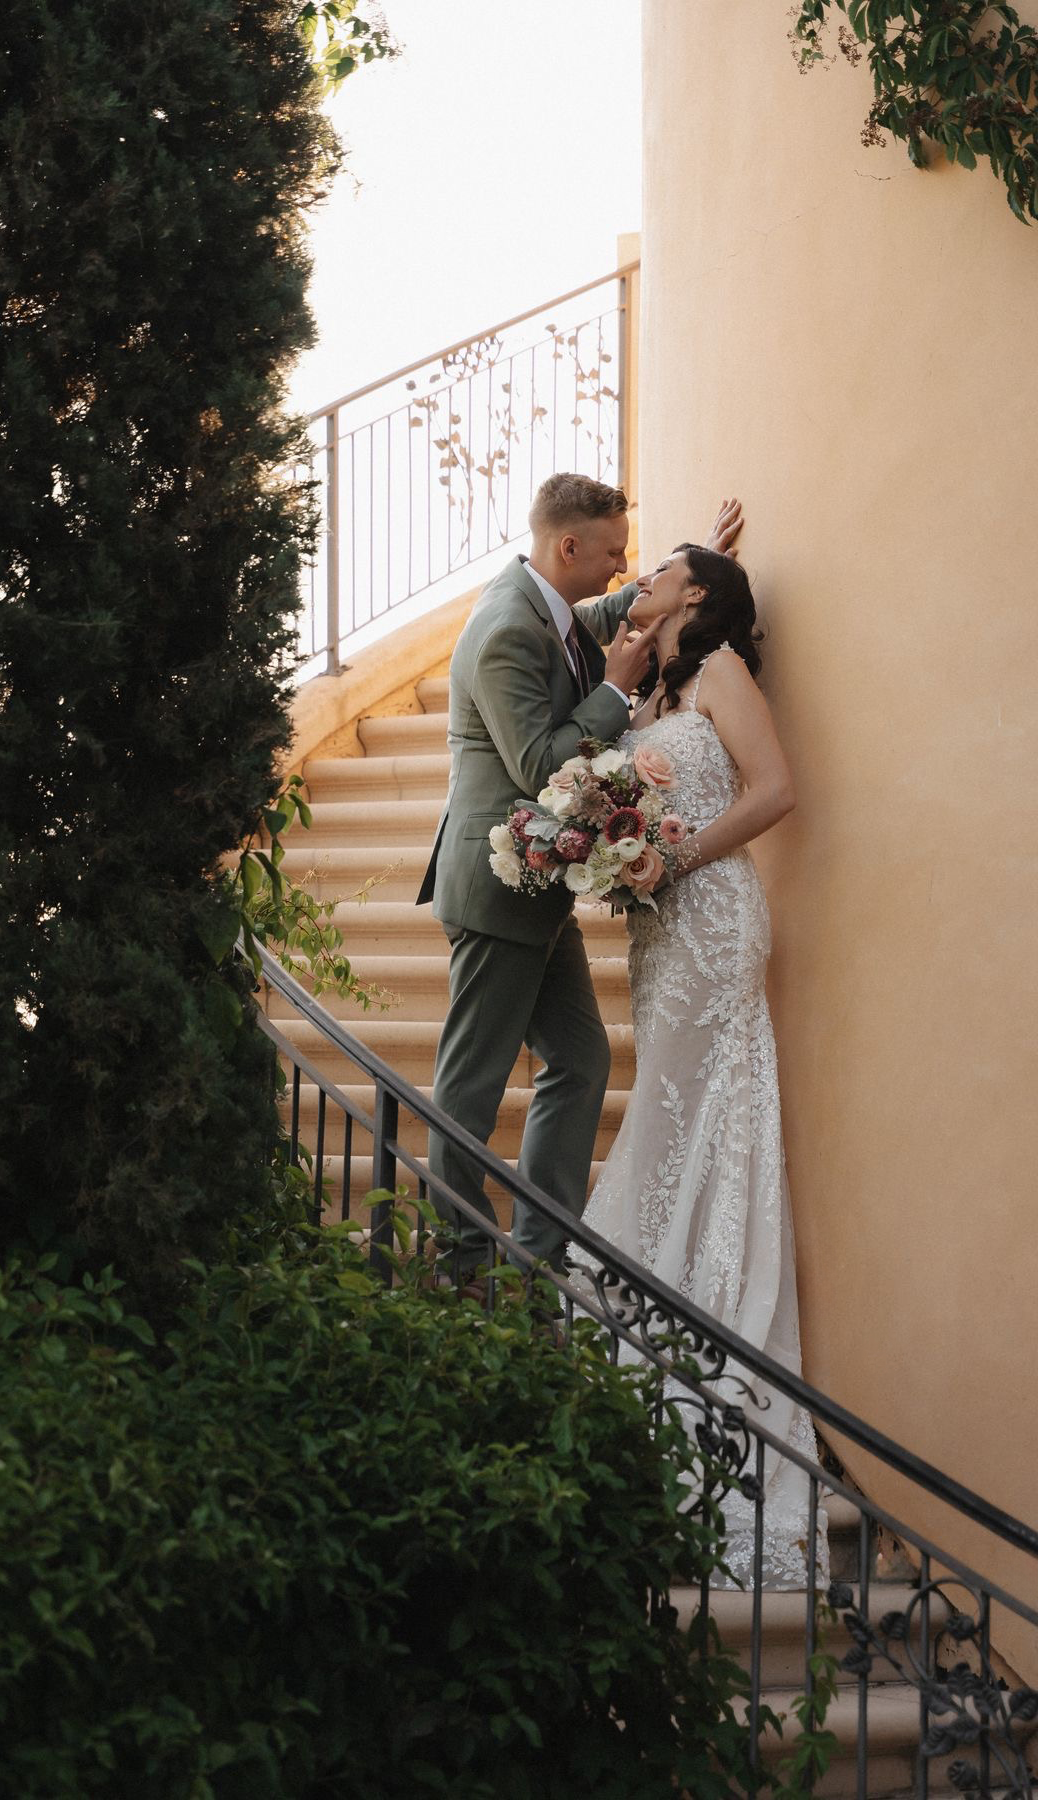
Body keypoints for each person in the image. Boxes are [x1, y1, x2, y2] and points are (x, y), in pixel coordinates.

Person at [417, 476, 741, 1282]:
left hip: (538, 895)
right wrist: (613, 692)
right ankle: (458, 1264)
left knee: (581, 1061)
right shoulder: (504, 631)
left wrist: (696, 577)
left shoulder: (550, 607)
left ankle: (537, 1255)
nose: (620, 570)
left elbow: (607, 613)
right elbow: (535, 767)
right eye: (612, 554)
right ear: (569, 548)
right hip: (498, 893)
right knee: (472, 1085)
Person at [580, 543, 827, 1589]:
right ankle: (659, 1307)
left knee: (697, 1114)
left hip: (716, 920)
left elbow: (777, 793)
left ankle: (697, 1327)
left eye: (665, 565)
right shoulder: (652, 693)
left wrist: (676, 858)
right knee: (675, 1112)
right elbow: (600, 621)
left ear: (698, 597)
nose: (642, 574)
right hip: (662, 932)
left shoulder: (722, 672)